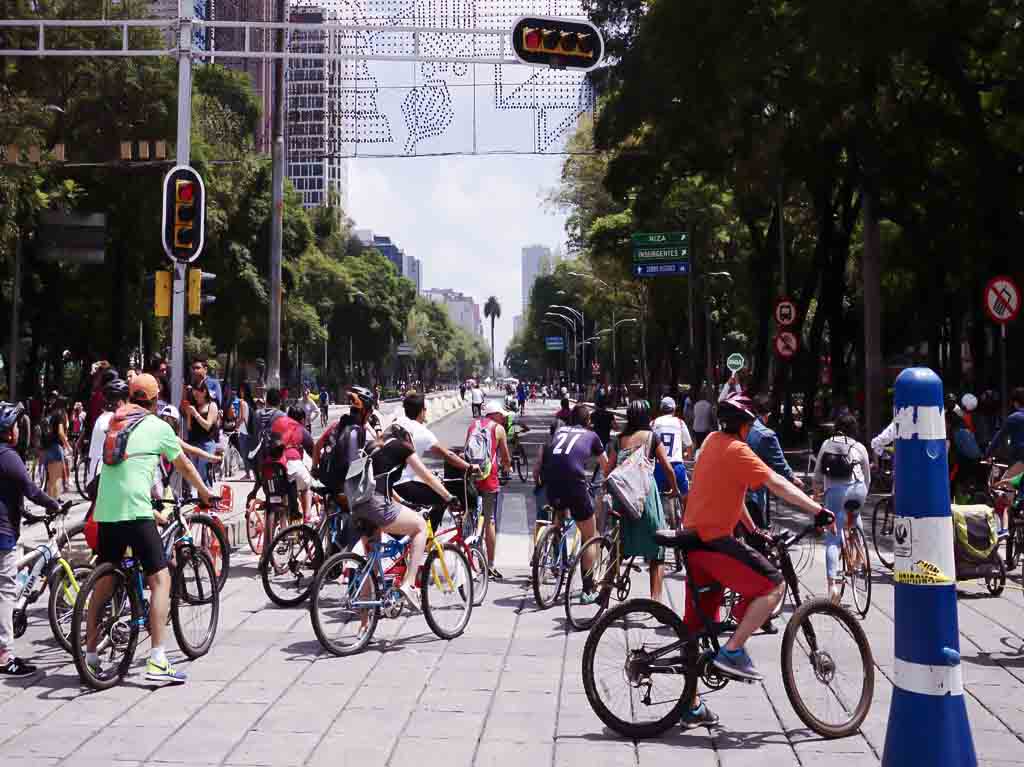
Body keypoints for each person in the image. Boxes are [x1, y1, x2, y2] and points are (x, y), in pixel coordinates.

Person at [682, 393, 830, 694]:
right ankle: (733, 650)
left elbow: (728, 494)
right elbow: (777, 482)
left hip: (694, 543)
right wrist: (817, 510)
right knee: (773, 585)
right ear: (745, 427)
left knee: (697, 628)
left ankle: (690, 705)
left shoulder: (711, 441)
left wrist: (752, 530)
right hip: (715, 544)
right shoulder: (739, 450)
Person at [84, 374, 213, 683]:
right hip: (136, 510)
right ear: (156, 400)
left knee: (105, 578)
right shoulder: (157, 426)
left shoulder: (115, 421)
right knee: (159, 580)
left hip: (105, 509)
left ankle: (88, 653)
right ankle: (157, 659)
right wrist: (205, 493)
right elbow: (184, 465)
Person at [353, 420, 460, 610]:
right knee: (419, 527)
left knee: (371, 567)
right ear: (407, 437)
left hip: (358, 506)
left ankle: (364, 626)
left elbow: (379, 482)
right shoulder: (401, 447)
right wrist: (448, 496)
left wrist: (401, 504)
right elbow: (426, 475)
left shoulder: (372, 447)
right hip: (377, 505)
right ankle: (409, 584)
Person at [0, 402, 64, 676]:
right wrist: (55, 505)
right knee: (5, 590)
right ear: (10, 431)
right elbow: (31, 490)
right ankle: (4, 655)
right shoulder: (8, 455)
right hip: (2, 535)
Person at [606, 400, 679, 603]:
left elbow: (608, 470)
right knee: (658, 550)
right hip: (645, 498)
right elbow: (667, 467)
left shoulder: (618, 440)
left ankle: (604, 591)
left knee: (618, 549)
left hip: (622, 499)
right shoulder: (651, 438)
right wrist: (674, 489)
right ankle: (655, 601)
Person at [538, 404, 608, 602]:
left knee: (560, 513)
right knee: (590, 535)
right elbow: (605, 465)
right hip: (574, 483)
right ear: (588, 421)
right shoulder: (591, 435)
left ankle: (555, 548)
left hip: (551, 482)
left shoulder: (559, 431)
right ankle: (587, 590)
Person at [392, 392, 477, 532]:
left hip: (388, 483)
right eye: (425, 410)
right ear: (422, 411)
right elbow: (447, 455)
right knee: (443, 497)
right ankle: (425, 537)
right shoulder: (421, 431)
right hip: (403, 484)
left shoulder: (397, 422)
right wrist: (470, 466)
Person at [812, 414, 871, 604]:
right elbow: (867, 476)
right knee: (854, 515)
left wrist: (817, 493)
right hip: (857, 489)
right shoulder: (859, 446)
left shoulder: (827, 444)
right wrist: (863, 494)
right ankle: (859, 555)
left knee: (832, 539)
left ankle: (833, 587)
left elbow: (817, 475)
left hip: (835, 492)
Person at [466, 402, 512, 579]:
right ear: (494, 415)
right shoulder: (498, 429)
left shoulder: (473, 425)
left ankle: (468, 559)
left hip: (471, 475)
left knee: (469, 516)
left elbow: (467, 450)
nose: (503, 417)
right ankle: (490, 565)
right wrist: (507, 468)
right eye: (501, 414)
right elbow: (505, 456)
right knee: (490, 520)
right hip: (488, 477)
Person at [651, 396, 693, 533]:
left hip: (659, 467)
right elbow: (689, 446)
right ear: (674, 410)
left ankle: (656, 523)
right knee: (686, 495)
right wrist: (687, 455)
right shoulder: (680, 423)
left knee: (654, 496)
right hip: (676, 467)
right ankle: (686, 523)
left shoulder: (653, 423)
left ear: (661, 409)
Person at [88, 378, 130, 484]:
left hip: (95, 474)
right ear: (121, 402)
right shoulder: (113, 420)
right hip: (104, 475)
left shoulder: (102, 417)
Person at [184, 379, 220, 485]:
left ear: (204, 392)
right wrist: (189, 415)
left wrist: (195, 414)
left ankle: (208, 499)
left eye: (197, 394)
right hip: (194, 443)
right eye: (194, 394)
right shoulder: (194, 406)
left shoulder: (211, 405)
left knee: (203, 475)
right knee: (195, 476)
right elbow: (189, 428)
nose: (196, 397)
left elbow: (208, 426)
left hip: (206, 444)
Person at [986, 387, 1024, 481]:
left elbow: (999, 437)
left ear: (1015, 403)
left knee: (1005, 486)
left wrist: (988, 454)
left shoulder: (1014, 418)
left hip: (1020, 459)